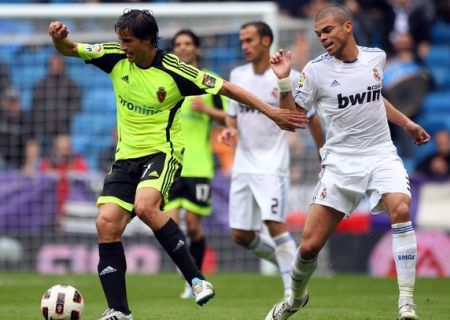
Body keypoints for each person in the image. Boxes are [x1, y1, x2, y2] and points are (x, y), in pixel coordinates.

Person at [48, 9, 306, 320]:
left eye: (128, 41)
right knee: (106, 224)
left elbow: (227, 88)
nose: (123, 46)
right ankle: (119, 311)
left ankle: (196, 279)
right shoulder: (114, 56)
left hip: (162, 153)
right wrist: (59, 39)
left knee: (145, 207)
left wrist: (272, 112)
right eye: (121, 40)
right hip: (124, 158)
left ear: (147, 40)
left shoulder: (174, 70)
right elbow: (71, 49)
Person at [265, 5, 430, 320]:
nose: (323, 37)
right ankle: (295, 299)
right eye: (318, 34)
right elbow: (290, 118)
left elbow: (374, 97)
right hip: (340, 163)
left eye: (327, 30)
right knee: (309, 248)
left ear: (348, 27)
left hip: (381, 153)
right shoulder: (315, 71)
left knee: (401, 208)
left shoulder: (376, 57)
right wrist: (285, 81)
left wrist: (407, 123)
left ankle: (406, 303)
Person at [218, 21, 323, 299]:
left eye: (249, 40)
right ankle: (287, 264)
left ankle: (293, 291)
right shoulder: (237, 74)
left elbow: (310, 117)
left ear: (266, 41)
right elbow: (232, 112)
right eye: (242, 41)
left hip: (272, 164)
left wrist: (322, 151)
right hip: (243, 162)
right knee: (241, 235)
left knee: (274, 224)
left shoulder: (289, 76)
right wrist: (229, 128)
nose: (244, 46)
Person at [164, 29, 227, 299]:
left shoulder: (208, 82)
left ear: (197, 49)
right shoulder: (165, 80)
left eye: (188, 43)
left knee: (193, 226)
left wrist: (207, 110)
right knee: (167, 223)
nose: (183, 48)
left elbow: (228, 119)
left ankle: (195, 280)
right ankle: (189, 273)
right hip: (169, 164)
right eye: (178, 44)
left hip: (198, 166)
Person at [32, 53, 81, 155]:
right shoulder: (41, 84)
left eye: (58, 63)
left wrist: (62, 116)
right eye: (53, 63)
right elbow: (36, 105)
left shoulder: (71, 84)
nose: (56, 66)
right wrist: (45, 118)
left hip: (64, 129)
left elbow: (76, 105)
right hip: (45, 128)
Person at [39, 134, 89, 217]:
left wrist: (71, 165)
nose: (63, 153)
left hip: (72, 206)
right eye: (60, 150)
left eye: (66, 149)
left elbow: (83, 178)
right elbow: (43, 179)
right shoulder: (48, 162)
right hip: (50, 208)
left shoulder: (79, 161)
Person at [0, 86, 39, 175]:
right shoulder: (1, 117)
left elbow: (32, 143)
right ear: (4, 102)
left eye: (14, 101)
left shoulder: (26, 118)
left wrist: (29, 165)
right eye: (9, 101)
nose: (12, 105)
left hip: (21, 163)